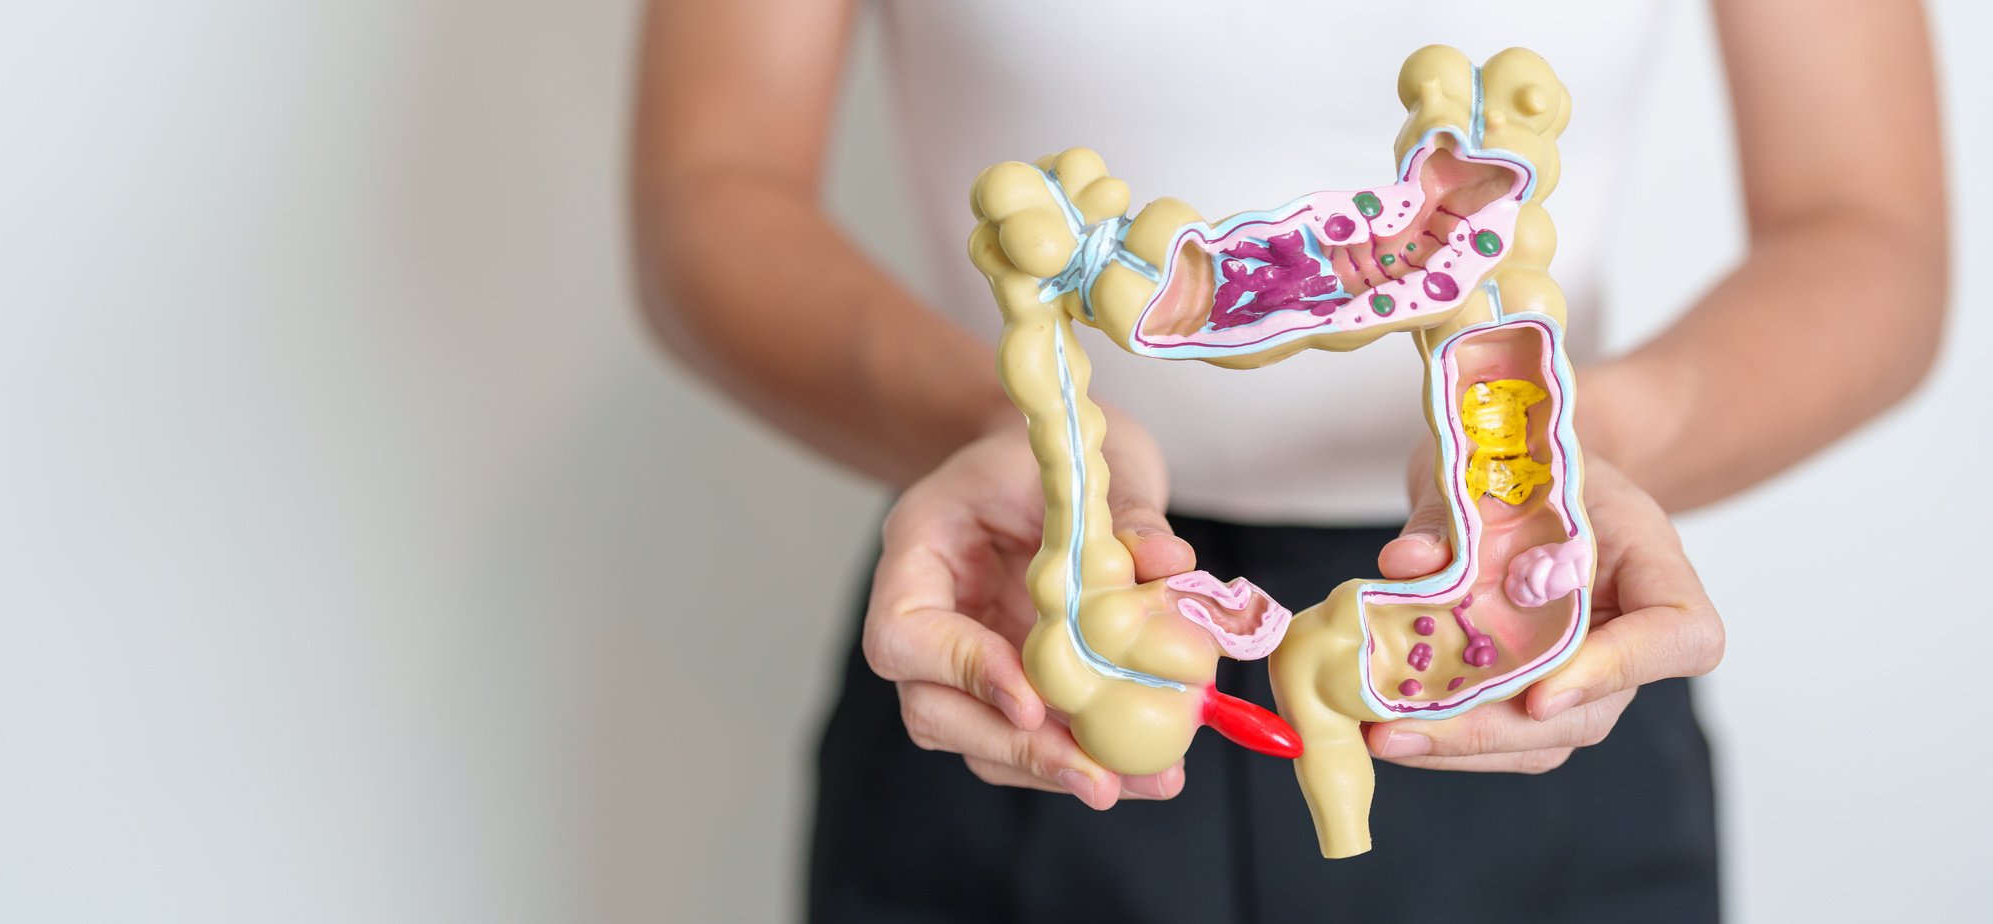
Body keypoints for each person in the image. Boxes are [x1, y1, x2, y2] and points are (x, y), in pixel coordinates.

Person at [629, 1, 1946, 920]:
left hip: (1540, 650)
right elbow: (713, 185)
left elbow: (1870, 232)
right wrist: (1014, 432)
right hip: (1028, 591)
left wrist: (1585, 445)